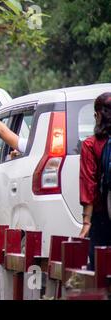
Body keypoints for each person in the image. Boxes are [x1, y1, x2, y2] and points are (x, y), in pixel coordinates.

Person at [79, 92, 111, 270]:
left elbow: (89, 184)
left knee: (99, 270)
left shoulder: (90, 145)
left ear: (98, 115)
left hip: (101, 217)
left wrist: (86, 222)